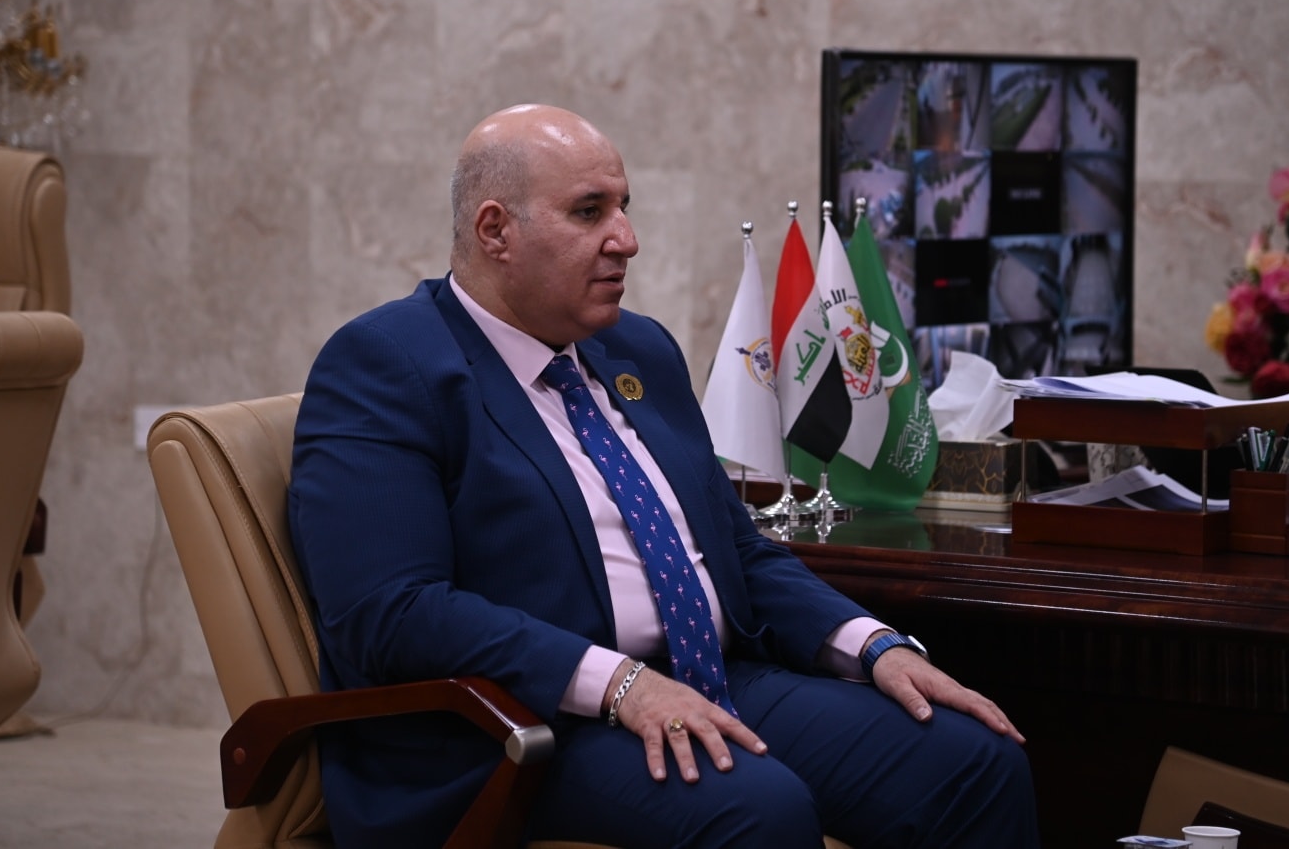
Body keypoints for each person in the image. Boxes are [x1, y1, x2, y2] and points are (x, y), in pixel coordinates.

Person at [287, 104, 1039, 848]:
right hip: (518, 728)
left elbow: (734, 549)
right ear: (495, 231)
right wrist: (620, 683)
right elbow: (392, 612)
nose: (627, 239)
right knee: (759, 809)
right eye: (589, 212)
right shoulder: (388, 365)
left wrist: (873, 645)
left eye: (624, 207)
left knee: (973, 761)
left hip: (709, 676)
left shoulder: (638, 350)